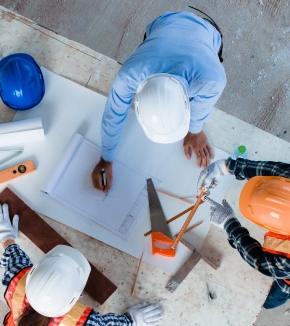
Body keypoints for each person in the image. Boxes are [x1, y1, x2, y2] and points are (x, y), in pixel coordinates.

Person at [0, 203, 163, 326]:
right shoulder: (83, 325)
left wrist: (6, 237)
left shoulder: (17, 282)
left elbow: (13, 259)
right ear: (76, 297)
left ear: (34, 273)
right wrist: (132, 321)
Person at [91, 10, 227, 192]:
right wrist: (106, 158)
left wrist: (194, 131)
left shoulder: (211, 79)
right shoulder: (129, 75)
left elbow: (201, 107)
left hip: (207, 31)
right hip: (163, 24)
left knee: (201, 88)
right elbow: (113, 115)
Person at [197, 158, 290, 309]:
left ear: (272, 227)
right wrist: (225, 167)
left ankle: (268, 304)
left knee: (276, 293)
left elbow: (257, 259)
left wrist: (228, 224)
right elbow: (274, 170)